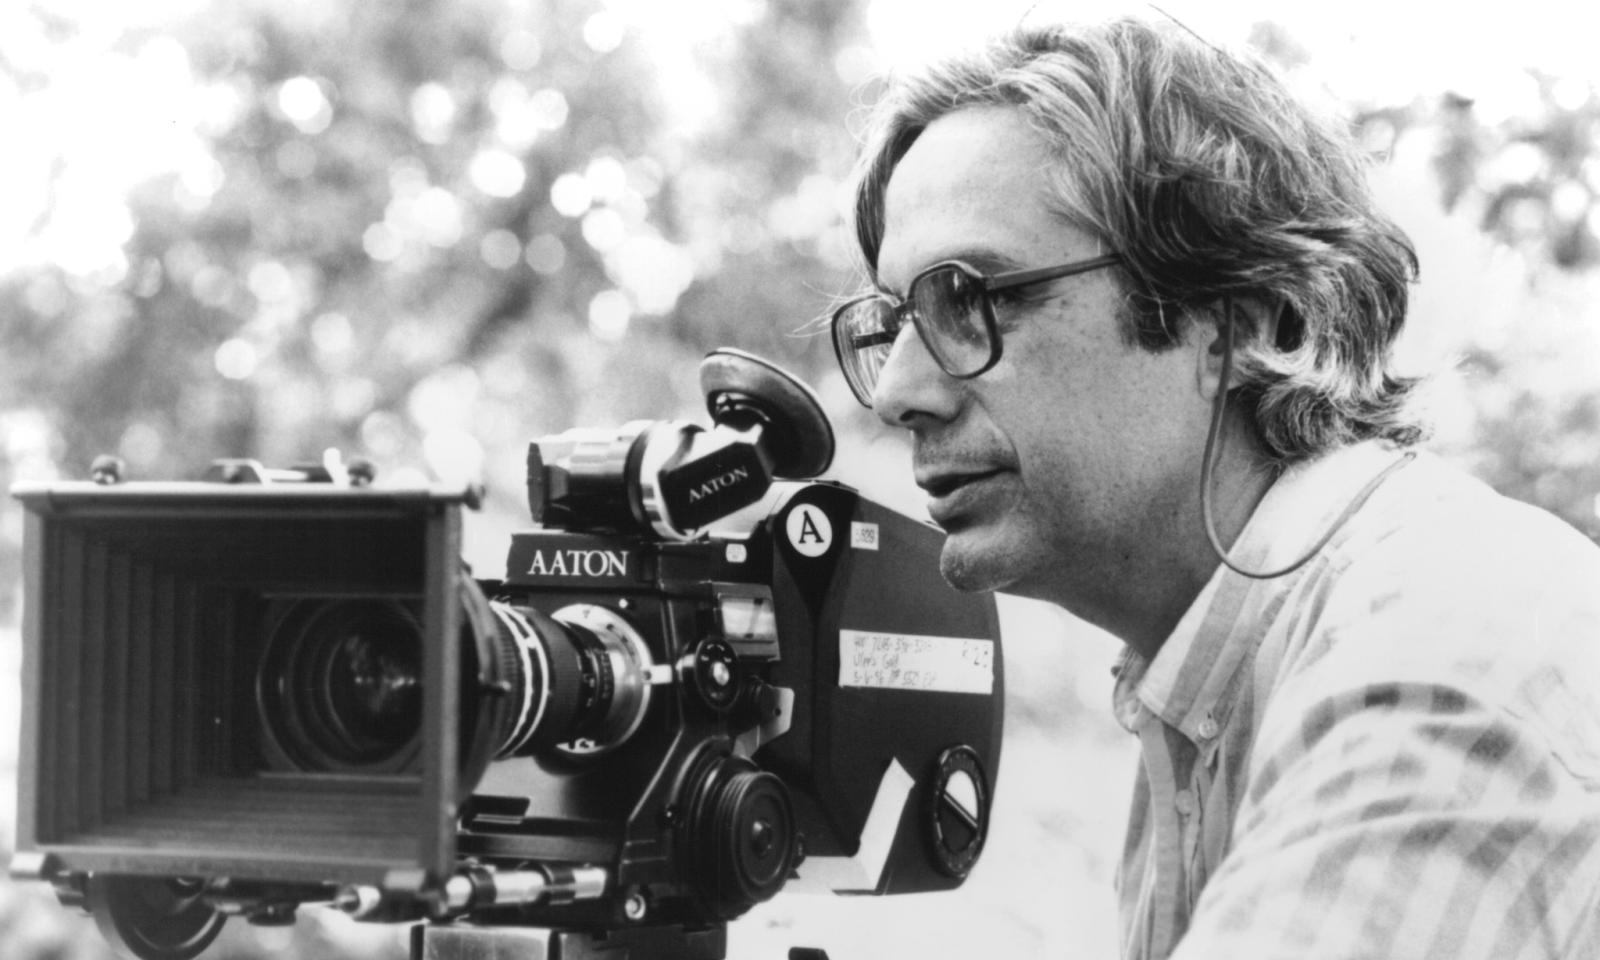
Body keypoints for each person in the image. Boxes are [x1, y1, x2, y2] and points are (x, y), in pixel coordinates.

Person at [827, 15, 1600, 959]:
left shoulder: (1445, 644)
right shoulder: (1214, 676)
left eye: (971, 299)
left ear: (1237, 326)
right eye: (891, 321)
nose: (898, 394)